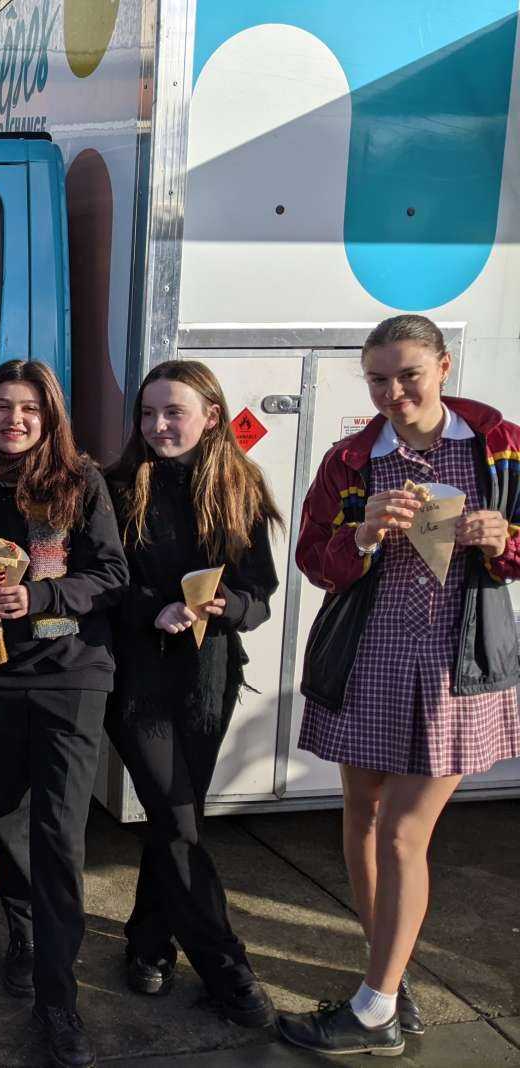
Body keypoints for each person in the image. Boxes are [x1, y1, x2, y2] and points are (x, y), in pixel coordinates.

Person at [278, 315, 520, 1056]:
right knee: (362, 816)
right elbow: (313, 561)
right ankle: (388, 971)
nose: (392, 392)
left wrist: (502, 538)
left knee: (405, 833)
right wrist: (358, 536)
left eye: (408, 374)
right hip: (371, 653)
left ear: (443, 367)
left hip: (456, 660)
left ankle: (376, 1008)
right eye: (377, 378)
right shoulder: (352, 460)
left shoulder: (497, 448)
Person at [0, 359, 127, 1068]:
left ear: (49, 417)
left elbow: (111, 575)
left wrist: (45, 599)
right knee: (10, 817)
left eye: (29, 408)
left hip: (71, 678)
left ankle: (59, 1000)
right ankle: (24, 936)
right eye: (0, 406)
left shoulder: (81, 484)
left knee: (58, 832)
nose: (13, 419)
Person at [104, 360, 281, 1029]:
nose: (158, 427)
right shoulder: (118, 486)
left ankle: (149, 943)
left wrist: (223, 607)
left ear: (211, 414)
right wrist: (154, 607)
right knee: (177, 821)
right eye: (148, 414)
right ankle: (228, 970)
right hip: (136, 682)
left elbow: (260, 595)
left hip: (208, 682)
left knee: (174, 820)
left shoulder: (240, 488)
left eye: (173, 412)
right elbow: (104, 580)